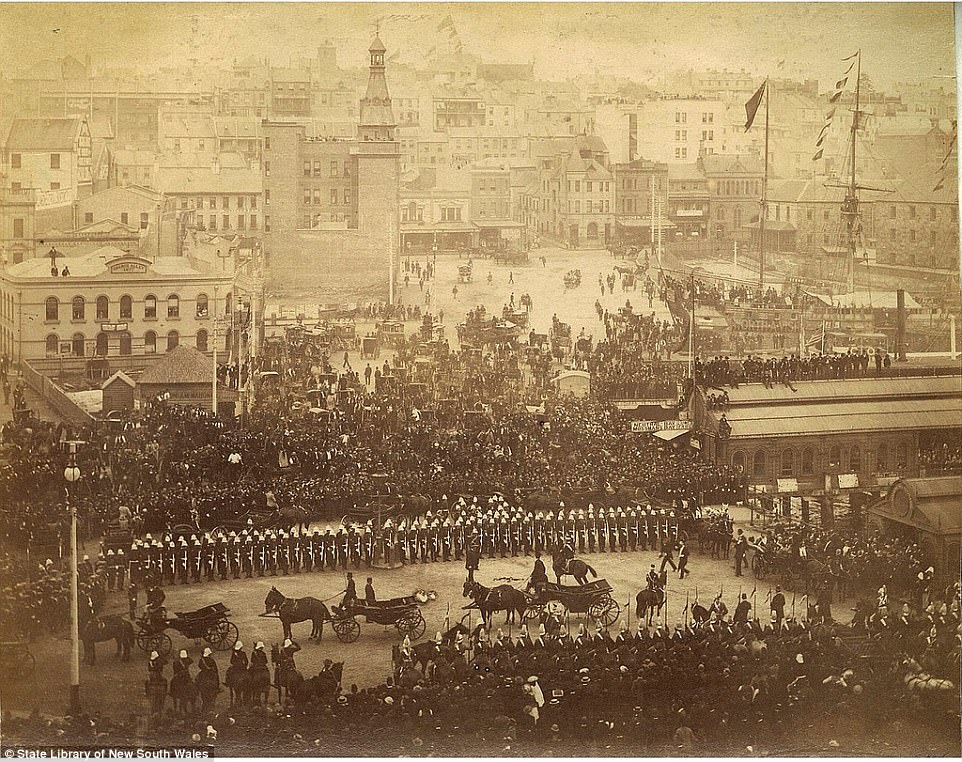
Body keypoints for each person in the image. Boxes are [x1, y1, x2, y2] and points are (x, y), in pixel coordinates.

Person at [196, 647, 220, 711]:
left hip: (204, 674)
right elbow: (215, 669)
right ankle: (217, 688)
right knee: (216, 677)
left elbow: (200, 666)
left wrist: (204, 669)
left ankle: (197, 689)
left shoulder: (201, 660)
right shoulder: (212, 660)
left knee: (197, 679)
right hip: (211, 675)